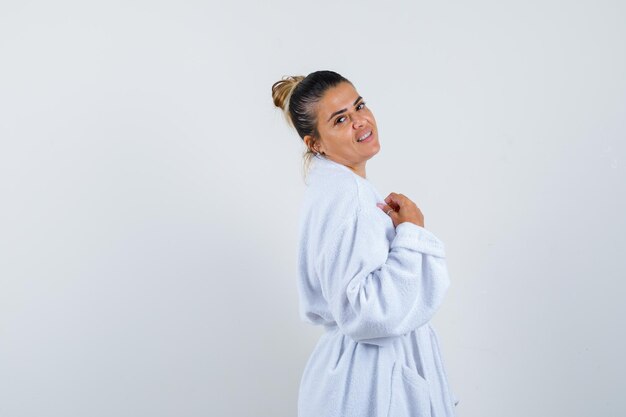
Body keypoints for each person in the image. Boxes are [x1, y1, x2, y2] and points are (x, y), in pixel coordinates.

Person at [271, 70, 459, 417]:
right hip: (373, 382)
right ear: (316, 144)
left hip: (357, 375)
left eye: (359, 106)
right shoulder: (350, 198)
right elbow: (363, 313)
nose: (361, 122)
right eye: (340, 119)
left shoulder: (330, 190)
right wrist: (412, 235)